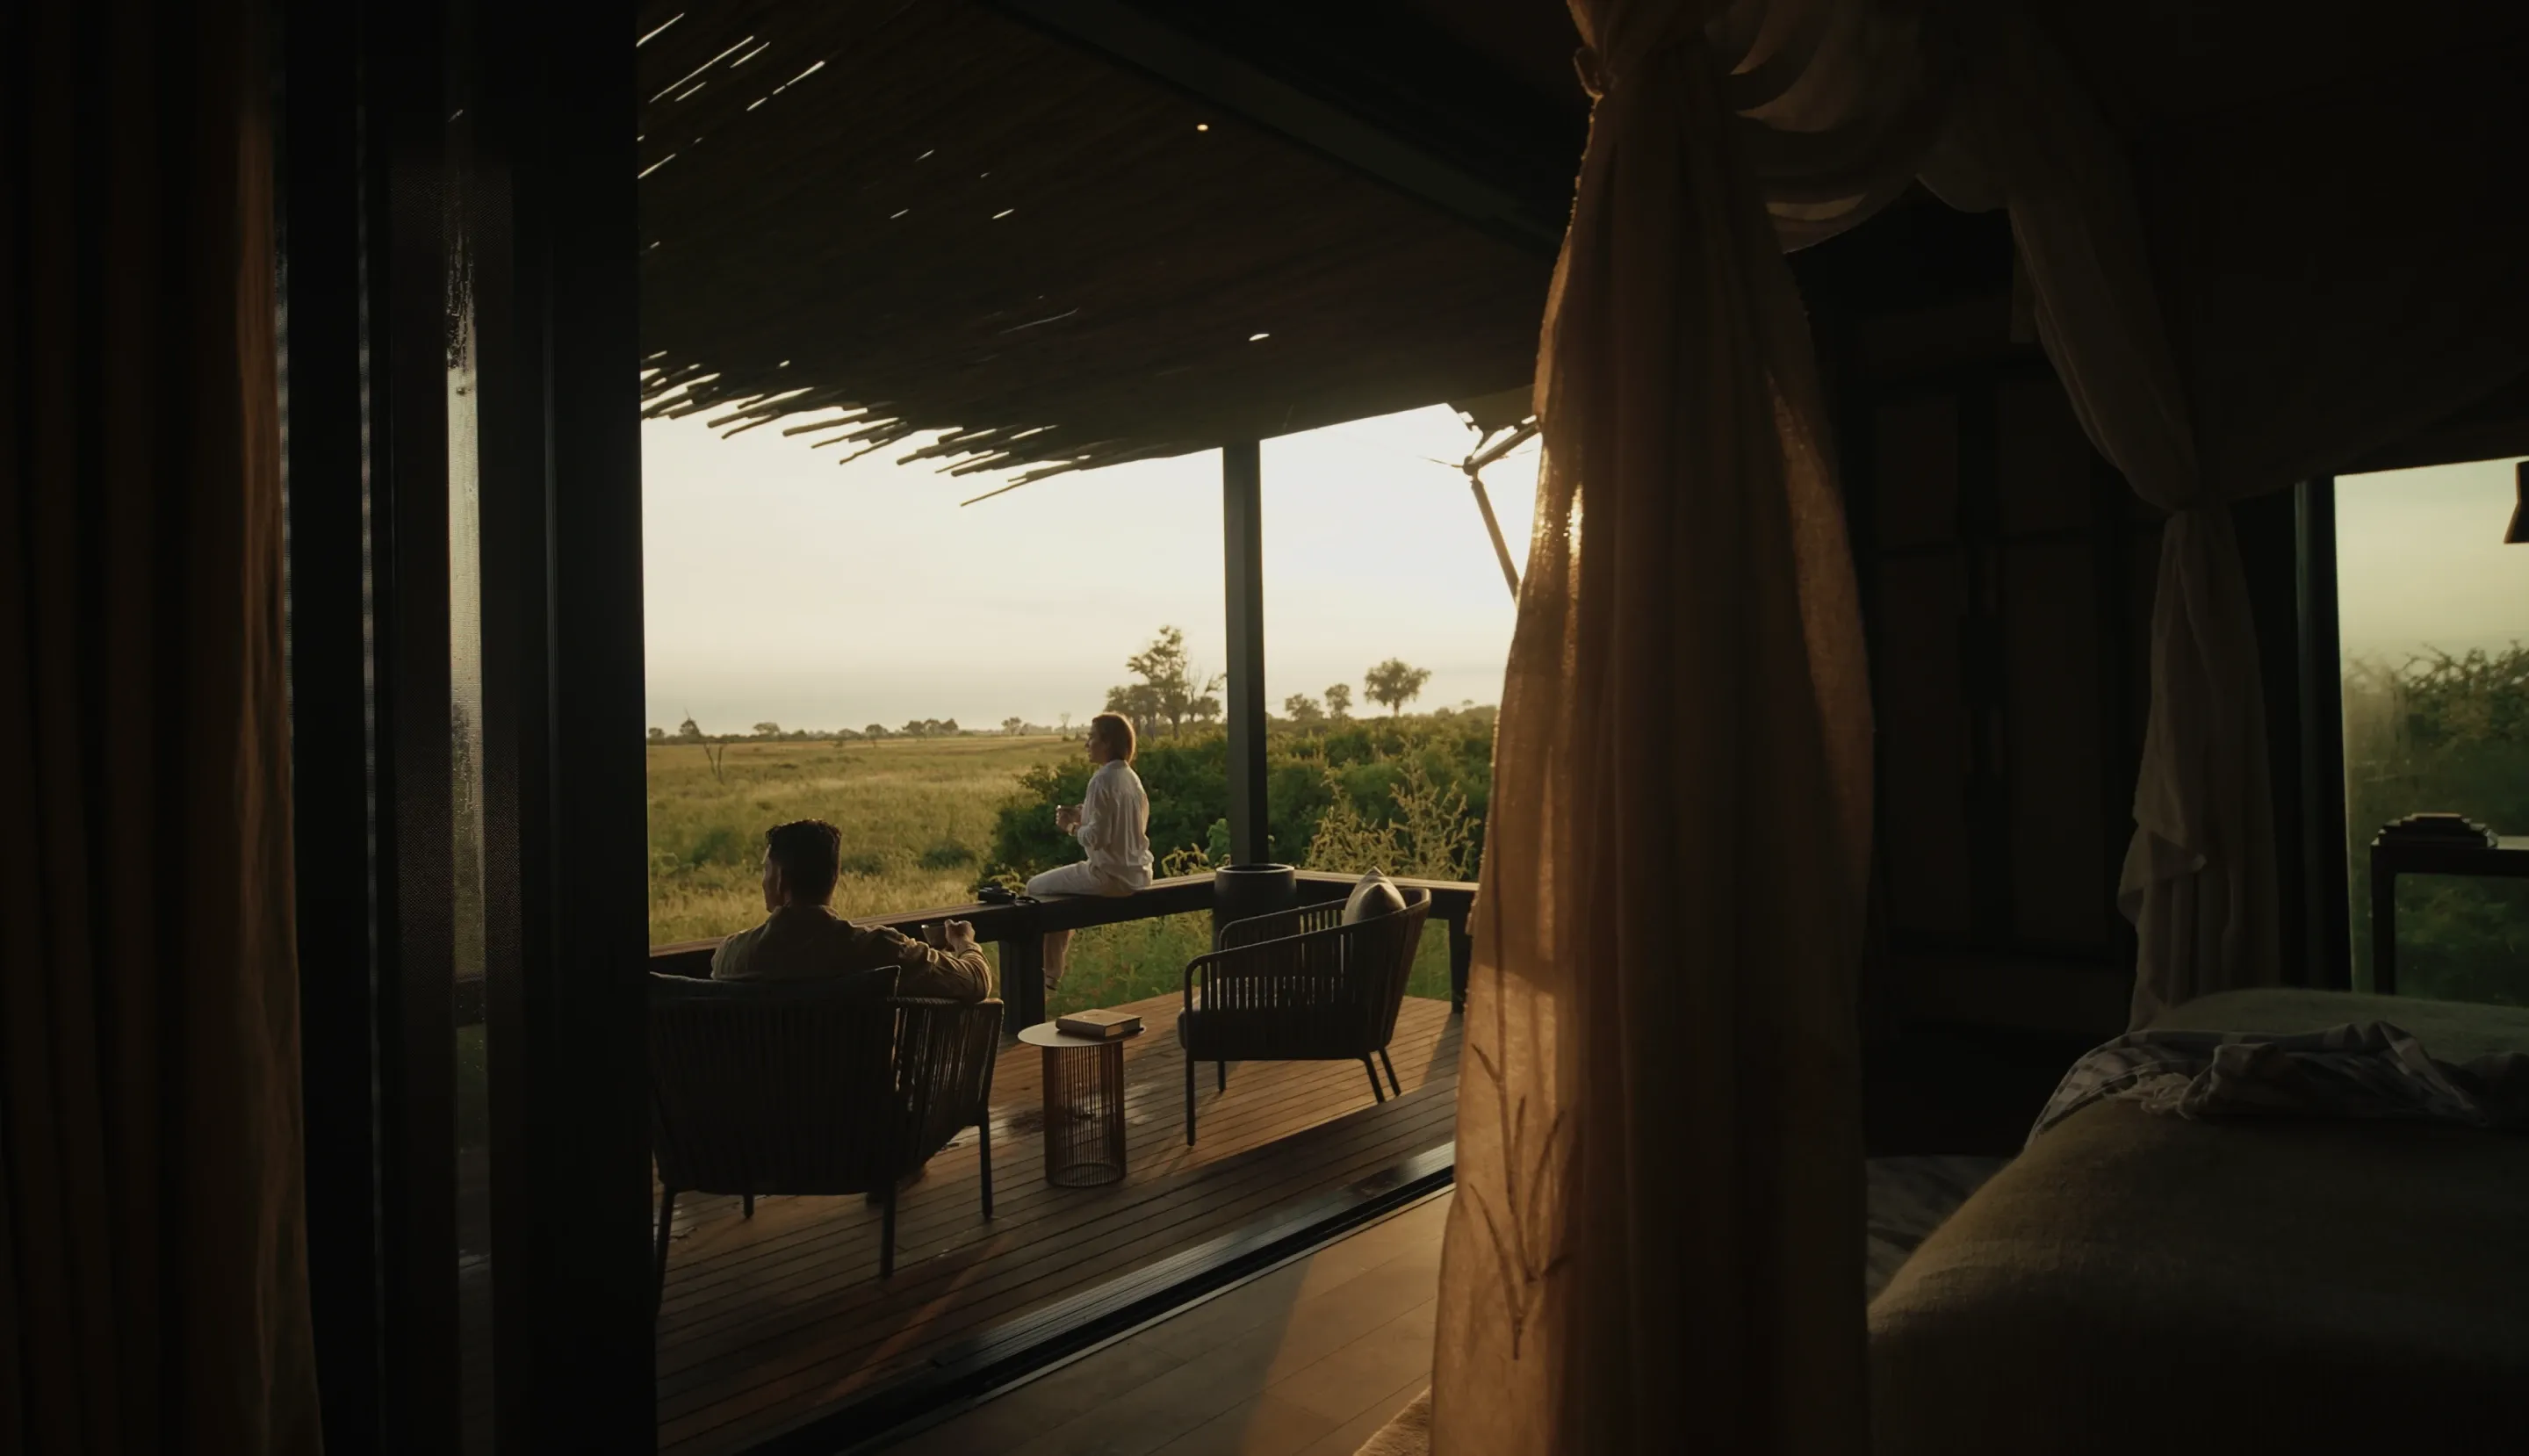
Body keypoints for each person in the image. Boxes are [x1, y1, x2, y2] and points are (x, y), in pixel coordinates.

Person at [711, 818, 991, 1001]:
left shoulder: (733, 955)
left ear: (781, 879)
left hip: (770, 1080)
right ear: (833, 877)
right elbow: (976, 981)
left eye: (766, 870)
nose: (763, 880)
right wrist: (964, 942)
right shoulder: (882, 950)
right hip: (864, 1079)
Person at [1025, 711, 1152, 998]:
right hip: (1138, 875)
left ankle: (1046, 976)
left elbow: (1098, 838)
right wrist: (1084, 815)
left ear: (1107, 743)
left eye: (1092, 737)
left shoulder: (1101, 780)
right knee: (1058, 890)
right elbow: (1125, 827)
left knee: (1035, 888)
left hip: (1109, 876)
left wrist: (1070, 827)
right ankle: (1052, 973)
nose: (1087, 744)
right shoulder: (1131, 778)